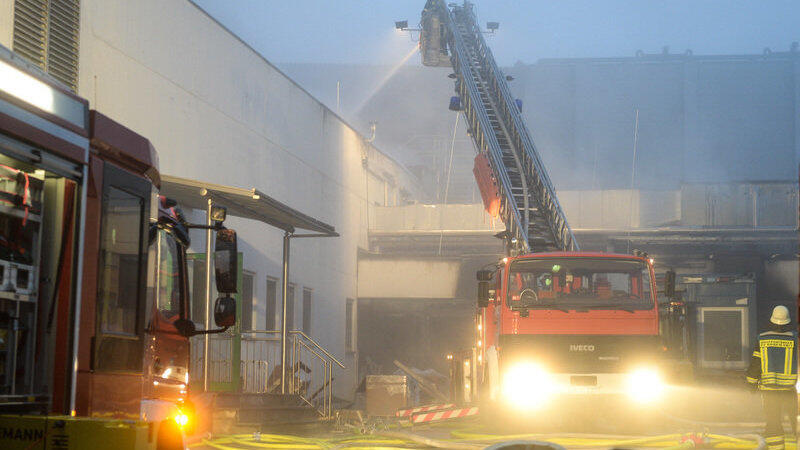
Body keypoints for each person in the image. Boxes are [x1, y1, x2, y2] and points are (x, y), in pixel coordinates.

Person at [746, 305, 798, 450]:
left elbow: (756, 363)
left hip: (769, 390)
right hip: (790, 390)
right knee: (796, 420)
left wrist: (751, 383)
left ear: (772, 321)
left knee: (773, 421)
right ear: (788, 321)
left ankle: (777, 448)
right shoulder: (794, 338)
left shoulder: (762, 338)